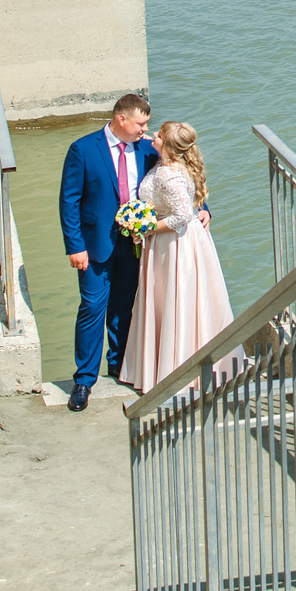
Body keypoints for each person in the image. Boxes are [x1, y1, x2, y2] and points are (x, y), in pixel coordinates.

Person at [118, 121, 236, 395]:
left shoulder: (167, 175)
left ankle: (175, 369)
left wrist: (145, 228)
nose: (152, 136)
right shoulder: (168, 165)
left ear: (169, 146)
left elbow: (182, 215)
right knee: (181, 300)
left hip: (174, 243)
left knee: (176, 299)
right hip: (181, 239)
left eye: (158, 135)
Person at [58, 92, 156, 412]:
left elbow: (179, 175)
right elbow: (69, 202)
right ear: (121, 119)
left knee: (124, 306)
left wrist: (203, 206)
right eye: (141, 124)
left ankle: (119, 366)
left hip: (134, 244)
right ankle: (85, 379)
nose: (145, 130)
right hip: (95, 247)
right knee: (92, 308)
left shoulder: (146, 149)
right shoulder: (83, 149)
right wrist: (76, 246)